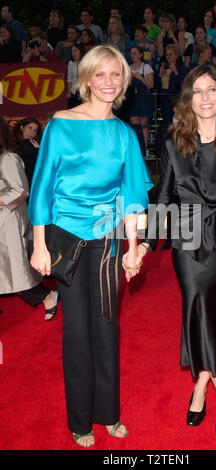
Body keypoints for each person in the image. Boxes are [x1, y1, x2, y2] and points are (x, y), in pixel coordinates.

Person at [27, 45, 153, 448]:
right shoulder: (60, 124)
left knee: (106, 327)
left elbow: (133, 198)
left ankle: (108, 414)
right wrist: (38, 244)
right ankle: (80, 420)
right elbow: (42, 189)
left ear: (124, 81)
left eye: (115, 75)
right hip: (65, 239)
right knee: (76, 331)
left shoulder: (124, 133)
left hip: (107, 244)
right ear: (86, 79)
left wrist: (134, 249)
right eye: (100, 74)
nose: (108, 82)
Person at [138, 64, 216, 443]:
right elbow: (163, 197)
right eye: (197, 91)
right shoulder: (173, 143)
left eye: (212, 90)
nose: (205, 98)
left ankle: (200, 386)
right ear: (188, 99)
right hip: (187, 243)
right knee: (200, 314)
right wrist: (146, 242)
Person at [0, 115, 58, 321]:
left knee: (16, 272)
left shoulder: (8, 158)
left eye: (35, 129)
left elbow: (20, 190)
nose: (32, 132)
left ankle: (46, 295)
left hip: (8, 223)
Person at [129, 45, 154, 150]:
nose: (132, 55)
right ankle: (136, 149)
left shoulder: (146, 67)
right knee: (134, 127)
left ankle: (144, 149)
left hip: (143, 99)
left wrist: (140, 78)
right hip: (132, 99)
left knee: (144, 126)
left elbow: (151, 85)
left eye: (135, 53)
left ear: (141, 54)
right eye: (131, 53)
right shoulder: (128, 68)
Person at [10, 117, 43, 190]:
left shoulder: (32, 146)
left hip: (26, 188)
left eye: (35, 130)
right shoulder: (9, 143)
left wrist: (38, 150)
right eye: (30, 128)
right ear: (21, 127)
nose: (32, 133)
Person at [67, 43, 87, 108]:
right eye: (72, 51)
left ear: (81, 51)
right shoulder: (71, 63)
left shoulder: (86, 64)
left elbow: (86, 80)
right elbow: (69, 79)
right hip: (73, 91)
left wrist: (82, 93)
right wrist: (68, 92)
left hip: (84, 92)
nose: (73, 53)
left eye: (75, 50)